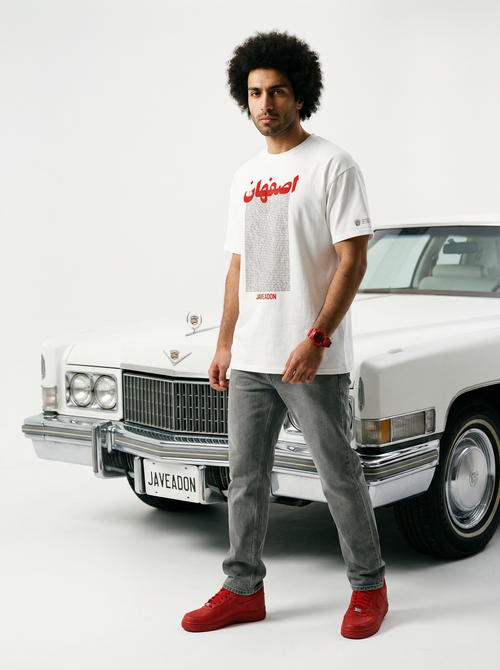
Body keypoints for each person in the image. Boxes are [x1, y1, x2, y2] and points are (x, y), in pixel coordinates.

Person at [182, 31, 387, 639]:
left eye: (276, 92)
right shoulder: (245, 175)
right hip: (251, 356)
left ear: (301, 97)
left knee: (338, 475)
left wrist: (317, 338)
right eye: (254, 93)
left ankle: (369, 588)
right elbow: (238, 268)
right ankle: (242, 589)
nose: (264, 103)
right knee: (244, 478)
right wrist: (225, 343)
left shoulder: (333, 165)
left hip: (310, 357)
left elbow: (353, 260)